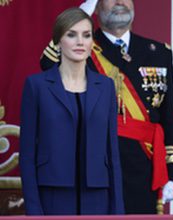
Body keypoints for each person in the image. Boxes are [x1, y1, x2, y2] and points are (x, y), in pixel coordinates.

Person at [40, 0, 173, 214]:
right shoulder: (82, 46)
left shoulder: (158, 51)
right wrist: (76, 19)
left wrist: (171, 173)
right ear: (96, 6)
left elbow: (169, 116)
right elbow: (47, 64)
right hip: (95, 160)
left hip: (143, 166)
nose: (120, 2)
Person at [19, 8, 124, 215]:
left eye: (86, 35)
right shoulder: (36, 85)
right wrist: (34, 210)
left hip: (97, 198)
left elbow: (113, 155)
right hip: (52, 197)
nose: (80, 42)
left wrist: (117, 210)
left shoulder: (105, 87)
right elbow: (27, 156)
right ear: (58, 41)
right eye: (71, 34)